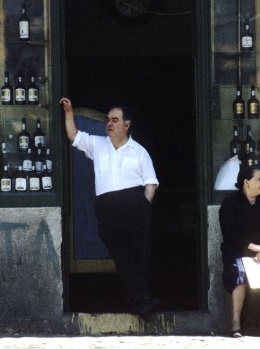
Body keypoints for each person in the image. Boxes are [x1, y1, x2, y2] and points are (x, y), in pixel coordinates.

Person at [59, 97, 160, 319]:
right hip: (107, 206)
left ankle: (139, 302)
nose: (109, 124)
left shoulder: (139, 151)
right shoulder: (97, 144)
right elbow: (73, 135)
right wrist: (69, 112)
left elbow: (150, 182)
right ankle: (144, 298)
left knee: (139, 255)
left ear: (127, 125)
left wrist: (144, 204)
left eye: (115, 120)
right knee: (121, 254)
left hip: (135, 202)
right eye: (108, 120)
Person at [219, 165, 260, 338]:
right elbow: (230, 233)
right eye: (259, 179)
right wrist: (254, 248)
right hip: (238, 250)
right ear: (246, 182)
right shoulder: (230, 203)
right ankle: (235, 323)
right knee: (238, 274)